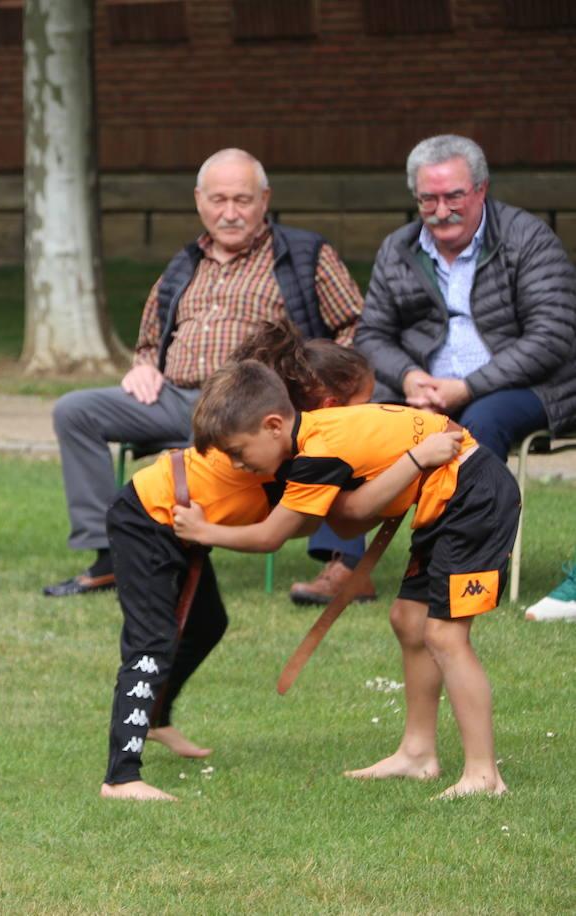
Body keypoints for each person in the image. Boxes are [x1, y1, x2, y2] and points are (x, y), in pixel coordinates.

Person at [101, 323, 459, 801]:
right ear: (329, 405)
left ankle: (156, 718)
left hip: (183, 525)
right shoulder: (285, 450)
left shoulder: (296, 445)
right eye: (362, 405)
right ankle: (121, 778)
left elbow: (326, 521)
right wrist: (412, 461)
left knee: (208, 623)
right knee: (153, 640)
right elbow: (316, 524)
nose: (367, 416)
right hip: (149, 520)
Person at [175, 360, 518, 798]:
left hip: (473, 494)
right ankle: (417, 753)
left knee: (445, 635)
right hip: (446, 499)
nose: (240, 465)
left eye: (240, 452)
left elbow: (275, 535)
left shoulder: (318, 452)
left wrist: (205, 532)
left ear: (274, 425)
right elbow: (345, 523)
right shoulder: (310, 445)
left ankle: (484, 776)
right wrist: (413, 463)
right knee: (408, 619)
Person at [45, 148, 366, 603]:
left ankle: (342, 566)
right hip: (176, 400)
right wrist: (143, 364)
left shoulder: (305, 255)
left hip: (256, 411)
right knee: (75, 410)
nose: (230, 213)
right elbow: (150, 338)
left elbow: (355, 325)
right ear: (199, 200)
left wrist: (316, 381)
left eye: (242, 200)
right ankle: (110, 557)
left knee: (339, 433)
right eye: (219, 200)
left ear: (265, 199)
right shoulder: (184, 264)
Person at [355, 133, 576, 464]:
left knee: (480, 423)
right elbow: (371, 334)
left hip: (525, 388)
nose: (442, 212)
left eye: (454, 197)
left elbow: (551, 336)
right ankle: (330, 516)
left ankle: (470, 517)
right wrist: (410, 378)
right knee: (355, 431)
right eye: (428, 199)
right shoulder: (398, 248)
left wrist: (466, 388)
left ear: (481, 189)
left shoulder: (528, 239)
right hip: (422, 390)